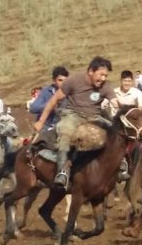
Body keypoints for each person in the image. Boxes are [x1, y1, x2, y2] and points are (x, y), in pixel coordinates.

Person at [33, 57, 117, 189]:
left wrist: (127, 109)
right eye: (101, 74)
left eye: (106, 75)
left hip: (94, 117)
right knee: (65, 132)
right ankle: (62, 172)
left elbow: (115, 102)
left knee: (115, 132)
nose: (103, 78)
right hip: (73, 115)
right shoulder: (74, 80)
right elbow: (54, 100)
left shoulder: (106, 86)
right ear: (91, 71)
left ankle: (122, 166)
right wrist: (41, 121)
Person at [29, 66, 70, 130]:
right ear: (54, 81)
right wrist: (50, 105)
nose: (63, 83)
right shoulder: (46, 91)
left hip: (64, 126)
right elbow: (33, 108)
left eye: (65, 80)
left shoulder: (71, 92)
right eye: (60, 80)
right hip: (46, 126)